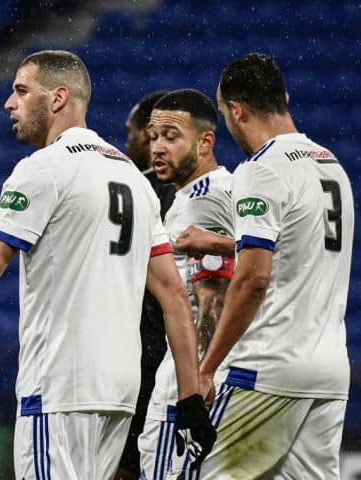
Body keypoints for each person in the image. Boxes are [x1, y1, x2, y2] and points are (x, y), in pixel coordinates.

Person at [0, 50, 215, 480]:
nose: (10, 103)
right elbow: (174, 295)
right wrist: (190, 398)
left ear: (59, 97)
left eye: (22, 91)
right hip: (118, 393)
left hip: (61, 386)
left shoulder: (44, 168)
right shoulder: (134, 179)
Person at [179, 53, 354, 479]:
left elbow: (254, 280)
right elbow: (298, 248)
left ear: (236, 110)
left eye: (224, 114)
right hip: (329, 369)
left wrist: (207, 369)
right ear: (285, 98)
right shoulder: (332, 166)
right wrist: (224, 242)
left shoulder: (260, 170)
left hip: (270, 366)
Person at [135, 89, 235, 480]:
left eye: (171, 136)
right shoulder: (207, 193)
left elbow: (214, 297)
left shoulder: (204, 202)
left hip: (185, 379)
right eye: (153, 135)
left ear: (205, 141)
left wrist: (195, 382)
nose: (157, 147)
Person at [115, 90, 174, 480]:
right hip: (166, 351)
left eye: (131, 132)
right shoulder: (205, 187)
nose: (128, 142)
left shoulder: (136, 190)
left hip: (144, 351)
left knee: (124, 466)